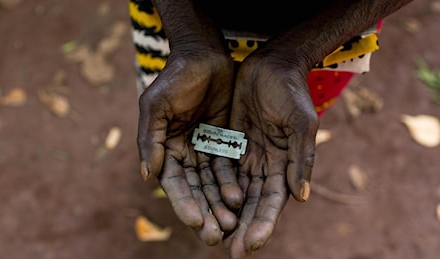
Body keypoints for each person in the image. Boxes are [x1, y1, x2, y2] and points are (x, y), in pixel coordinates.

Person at [129, 0, 413, 257]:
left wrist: (296, 55)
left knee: (292, 117)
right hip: (176, 23)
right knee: (173, 99)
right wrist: (188, 37)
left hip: (327, 37)